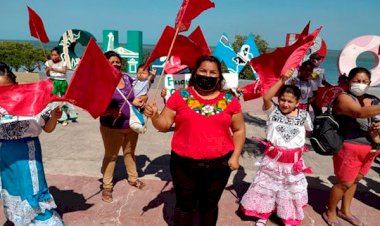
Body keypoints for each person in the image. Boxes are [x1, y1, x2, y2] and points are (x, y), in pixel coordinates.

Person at [144, 55, 245, 226]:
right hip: (184, 165)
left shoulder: (230, 101)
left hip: (219, 166)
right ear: (195, 73)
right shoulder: (179, 96)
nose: (207, 75)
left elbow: (239, 129)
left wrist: (235, 156)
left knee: (209, 206)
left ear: (219, 77)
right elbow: (164, 124)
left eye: (213, 72)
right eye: (203, 71)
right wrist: (154, 116)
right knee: (185, 205)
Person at [240, 68, 313, 226]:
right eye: (282, 100)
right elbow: (266, 97)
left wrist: (295, 147)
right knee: (268, 189)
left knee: (288, 191)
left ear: (297, 103)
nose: (285, 104)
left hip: (292, 164)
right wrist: (282, 79)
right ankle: (263, 214)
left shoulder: (304, 116)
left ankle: (287, 217)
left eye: (290, 101)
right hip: (272, 162)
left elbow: (307, 131)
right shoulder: (273, 112)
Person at [0, 62, 65, 225]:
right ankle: (19, 219)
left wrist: (55, 117)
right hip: (4, 157)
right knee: (12, 189)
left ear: (15, 85)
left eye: (6, 88)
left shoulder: (34, 101)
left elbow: (48, 128)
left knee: (33, 191)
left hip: (27, 155)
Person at [324, 67, 380, 226]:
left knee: (355, 181)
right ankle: (330, 211)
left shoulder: (374, 99)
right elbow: (359, 113)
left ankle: (345, 210)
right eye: (357, 81)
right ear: (349, 81)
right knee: (344, 183)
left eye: (364, 81)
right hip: (349, 148)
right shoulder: (343, 98)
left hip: (371, 149)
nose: (360, 84)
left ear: (370, 83)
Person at [99, 51, 148, 203]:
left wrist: (142, 100)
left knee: (130, 153)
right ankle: (107, 186)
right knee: (111, 156)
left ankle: (133, 178)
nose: (116, 64)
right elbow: (97, 107)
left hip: (131, 124)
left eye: (118, 61)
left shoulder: (127, 78)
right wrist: (111, 111)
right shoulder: (102, 82)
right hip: (111, 126)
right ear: (105, 64)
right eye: (112, 62)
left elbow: (140, 94)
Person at [45, 47, 78, 126]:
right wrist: (48, 69)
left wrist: (53, 68)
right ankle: (59, 117)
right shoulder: (48, 62)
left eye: (55, 55)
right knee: (54, 100)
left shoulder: (63, 63)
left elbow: (63, 71)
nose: (54, 56)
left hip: (62, 82)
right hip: (53, 82)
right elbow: (47, 74)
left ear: (59, 55)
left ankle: (70, 115)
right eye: (52, 55)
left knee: (64, 99)